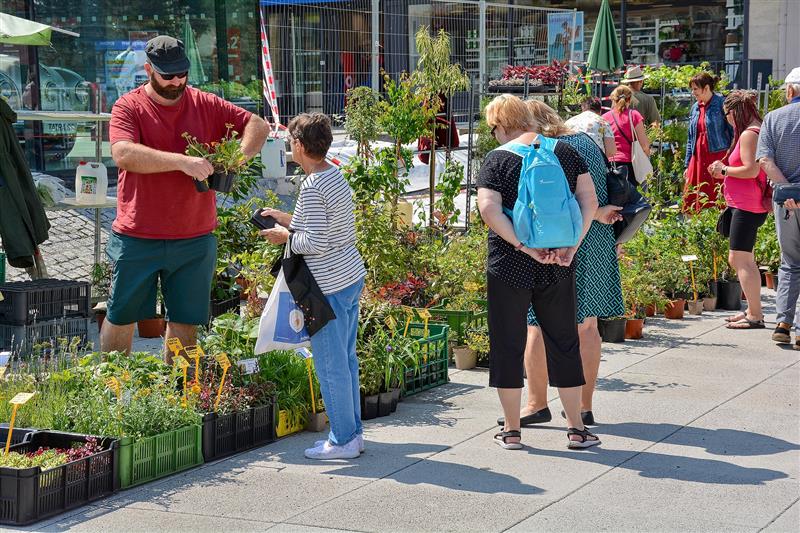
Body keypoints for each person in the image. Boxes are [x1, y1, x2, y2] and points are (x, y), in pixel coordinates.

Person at [104, 35, 269, 357]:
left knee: (185, 321)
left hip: (195, 237)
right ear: (148, 69)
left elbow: (258, 125)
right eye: (168, 75)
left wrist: (237, 158)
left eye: (182, 74)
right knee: (121, 315)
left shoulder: (204, 102)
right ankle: (114, 393)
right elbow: (123, 154)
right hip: (139, 235)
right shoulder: (129, 106)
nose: (177, 81)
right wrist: (183, 162)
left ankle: (179, 390)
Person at [476, 94, 600, 450]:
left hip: (510, 262)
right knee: (564, 341)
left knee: (508, 342)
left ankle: (512, 431)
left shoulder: (497, 159)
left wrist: (524, 246)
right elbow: (588, 201)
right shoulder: (564, 151)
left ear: (501, 125)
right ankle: (577, 428)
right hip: (560, 259)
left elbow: (489, 209)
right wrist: (572, 246)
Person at [260, 113, 367, 460]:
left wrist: (284, 237)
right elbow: (325, 225)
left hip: (328, 286)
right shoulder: (332, 176)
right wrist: (285, 217)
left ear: (300, 145)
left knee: (329, 364)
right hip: (349, 276)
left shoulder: (312, 185)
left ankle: (342, 440)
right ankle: (353, 433)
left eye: (291, 139)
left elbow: (315, 241)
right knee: (346, 360)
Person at [510, 100, 623, 428]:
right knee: (588, 327)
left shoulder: (544, 150)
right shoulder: (586, 141)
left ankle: (536, 403)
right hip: (599, 239)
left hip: (561, 243)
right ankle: (585, 407)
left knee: (537, 325)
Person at [707, 91, 770, 330]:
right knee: (744, 259)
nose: (727, 120)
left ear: (734, 112)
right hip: (745, 203)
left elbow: (751, 170)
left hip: (747, 204)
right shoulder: (755, 129)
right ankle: (752, 310)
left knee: (740, 259)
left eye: (727, 115)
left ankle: (755, 315)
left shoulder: (748, 134)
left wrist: (723, 170)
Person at [756, 66, 800, 348]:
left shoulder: (773, 118)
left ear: (790, 90)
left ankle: (783, 323)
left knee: (790, 262)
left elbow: (764, 161)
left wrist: (788, 191)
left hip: (784, 202)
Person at [683, 72, 733, 212]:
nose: (693, 92)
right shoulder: (695, 108)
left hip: (718, 156)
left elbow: (733, 133)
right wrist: (687, 164)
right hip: (697, 157)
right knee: (693, 195)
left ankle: (719, 228)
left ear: (706, 88)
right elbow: (690, 138)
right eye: (692, 89)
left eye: (695, 89)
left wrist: (730, 160)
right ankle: (696, 229)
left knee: (718, 195)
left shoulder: (722, 104)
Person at [603, 85, 651, 187]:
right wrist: (646, 157)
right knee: (634, 199)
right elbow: (644, 145)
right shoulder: (634, 115)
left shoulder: (604, 118)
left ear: (613, 99)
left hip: (610, 164)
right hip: (630, 165)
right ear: (630, 100)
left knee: (615, 199)